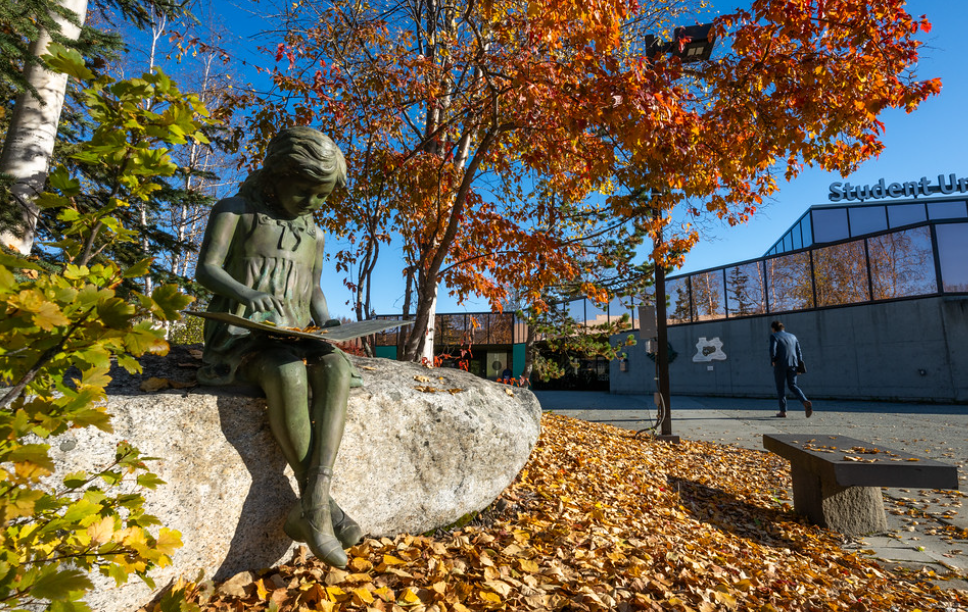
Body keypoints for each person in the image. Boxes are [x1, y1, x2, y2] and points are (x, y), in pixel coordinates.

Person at [195, 127, 362, 568]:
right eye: (303, 190)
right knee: (287, 371)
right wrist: (247, 296)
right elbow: (207, 269)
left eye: (321, 196)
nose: (311, 202)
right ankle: (320, 509)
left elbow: (315, 292)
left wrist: (327, 324)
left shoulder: (316, 236)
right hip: (241, 335)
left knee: (337, 367)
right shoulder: (236, 211)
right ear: (276, 174)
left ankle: (312, 504)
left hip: (295, 331)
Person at [769, 320, 812, 418]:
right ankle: (805, 401)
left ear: (773, 328)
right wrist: (799, 365)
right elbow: (798, 351)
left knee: (780, 388)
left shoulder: (774, 336)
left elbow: (772, 350)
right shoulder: (793, 336)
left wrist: (773, 360)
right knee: (793, 385)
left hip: (780, 364)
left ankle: (783, 411)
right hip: (793, 364)